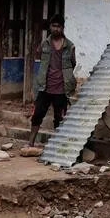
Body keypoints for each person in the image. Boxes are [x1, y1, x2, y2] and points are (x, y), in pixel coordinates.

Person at [28, 14, 77, 147]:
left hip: (61, 88)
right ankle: (31, 142)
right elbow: (39, 63)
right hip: (45, 86)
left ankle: (58, 145)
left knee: (59, 118)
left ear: (62, 28)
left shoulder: (70, 46)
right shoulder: (44, 44)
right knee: (37, 114)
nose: (55, 29)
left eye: (58, 26)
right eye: (53, 26)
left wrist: (65, 78)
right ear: (50, 27)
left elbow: (73, 63)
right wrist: (36, 86)